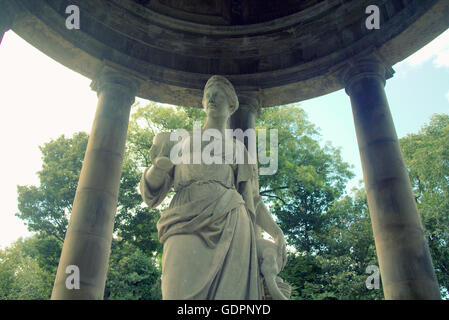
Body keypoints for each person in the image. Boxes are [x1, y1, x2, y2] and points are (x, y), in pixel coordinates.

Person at [140, 75, 287, 299]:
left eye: (217, 95)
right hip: (184, 217)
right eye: (207, 96)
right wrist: (157, 170)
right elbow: (151, 194)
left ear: (231, 104)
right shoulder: (178, 141)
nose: (211, 99)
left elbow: (254, 200)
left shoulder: (239, 150)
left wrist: (276, 232)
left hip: (230, 220)